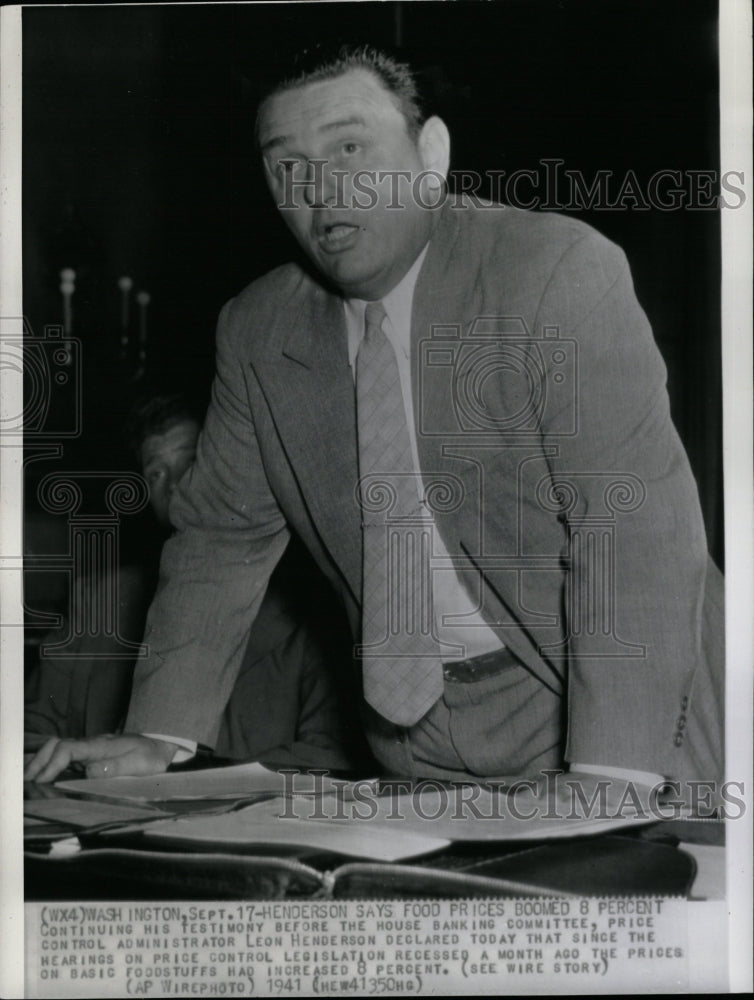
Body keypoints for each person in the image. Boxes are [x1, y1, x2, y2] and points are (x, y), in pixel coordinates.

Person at [26, 44, 723, 793]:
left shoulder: (555, 271)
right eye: (286, 165)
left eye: (350, 148)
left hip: (607, 715)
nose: (321, 189)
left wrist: (612, 773)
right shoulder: (258, 329)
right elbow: (219, 542)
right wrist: (158, 736)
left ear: (431, 153)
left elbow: (634, 525)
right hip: (413, 745)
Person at [25, 390, 367, 769]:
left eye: (191, 461)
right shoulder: (98, 602)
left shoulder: (314, 614)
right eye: (156, 473)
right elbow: (28, 736)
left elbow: (331, 762)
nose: (174, 486)